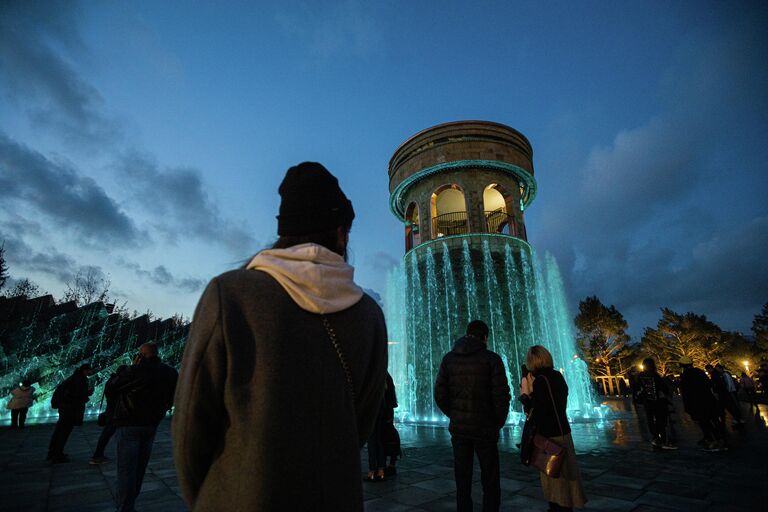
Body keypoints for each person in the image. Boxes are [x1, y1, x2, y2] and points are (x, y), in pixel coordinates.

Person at [173, 162, 388, 512]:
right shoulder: (368, 314)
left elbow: (190, 431)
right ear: (341, 233)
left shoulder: (230, 294)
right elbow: (359, 425)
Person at [434, 320, 511, 512]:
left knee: (462, 477)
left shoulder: (448, 359)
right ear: (485, 337)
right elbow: (502, 396)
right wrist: (497, 423)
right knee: (490, 477)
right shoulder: (492, 359)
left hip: (459, 429)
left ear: (466, 334)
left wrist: (454, 414)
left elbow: (439, 393)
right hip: (485, 428)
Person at [110, 343, 177, 512]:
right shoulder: (170, 372)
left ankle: (125, 508)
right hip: (151, 425)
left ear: (140, 355)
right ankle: (130, 503)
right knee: (140, 468)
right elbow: (173, 396)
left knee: (126, 470)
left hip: (129, 424)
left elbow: (112, 388)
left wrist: (132, 368)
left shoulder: (135, 370)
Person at [519, 345, 586, 512]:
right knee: (567, 474)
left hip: (550, 437)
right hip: (563, 431)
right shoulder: (557, 376)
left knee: (555, 476)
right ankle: (566, 505)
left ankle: (558, 508)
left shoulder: (540, 381)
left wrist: (525, 396)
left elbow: (538, 412)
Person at [47, 364, 94, 463]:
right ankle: (56, 455)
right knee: (63, 432)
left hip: (66, 408)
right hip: (69, 409)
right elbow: (77, 395)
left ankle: (54, 453)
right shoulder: (79, 379)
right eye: (90, 370)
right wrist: (89, 393)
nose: (91, 372)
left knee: (60, 431)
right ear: (85, 370)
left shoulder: (75, 377)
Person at [679, 357, 726, 451]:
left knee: (705, 423)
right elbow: (709, 384)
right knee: (714, 421)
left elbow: (686, 393)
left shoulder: (685, 376)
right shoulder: (699, 371)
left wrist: (688, 407)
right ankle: (721, 440)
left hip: (697, 403)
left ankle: (713, 442)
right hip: (709, 400)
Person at [635, 358, 677, 450]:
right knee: (661, 420)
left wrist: (639, 400)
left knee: (650, 420)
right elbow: (663, 388)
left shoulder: (640, 376)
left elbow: (637, 388)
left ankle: (655, 438)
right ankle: (663, 440)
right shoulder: (655, 375)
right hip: (658, 402)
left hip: (647, 402)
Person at [90, 365, 128, 464]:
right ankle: (97, 456)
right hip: (115, 412)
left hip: (111, 410)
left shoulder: (111, 380)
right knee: (107, 433)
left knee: (108, 433)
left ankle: (99, 454)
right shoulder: (118, 381)